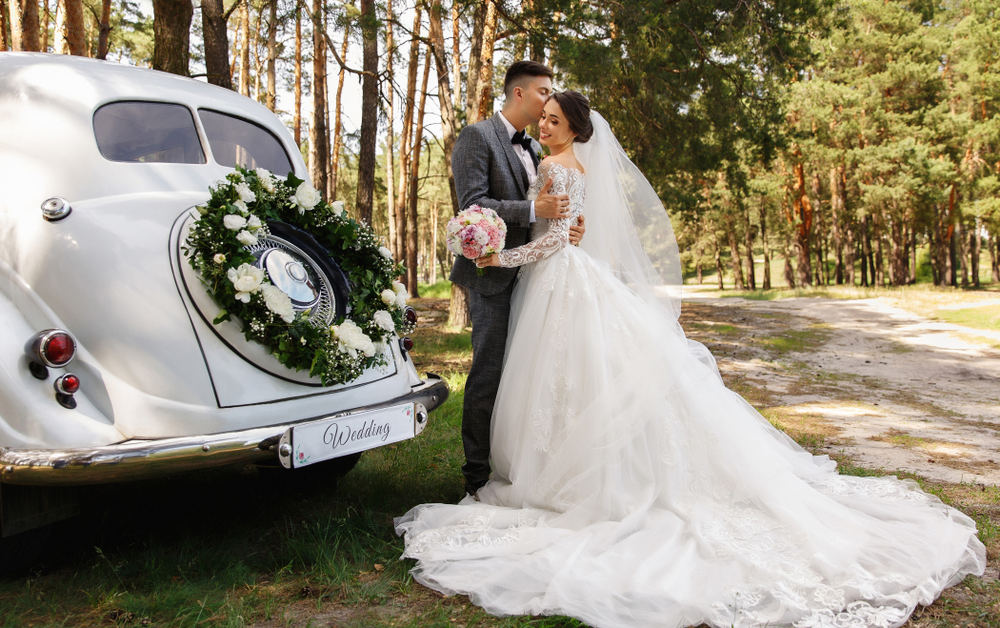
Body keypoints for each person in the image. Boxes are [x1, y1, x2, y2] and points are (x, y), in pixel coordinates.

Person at [397, 91, 986, 628]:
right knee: (574, 380)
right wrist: (542, 239)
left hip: (558, 278)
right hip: (572, 278)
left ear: (574, 129)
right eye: (543, 118)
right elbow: (573, 228)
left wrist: (502, 259)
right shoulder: (574, 166)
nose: (543, 126)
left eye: (554, 121)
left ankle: (560, 479)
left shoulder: (555, 165)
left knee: (563, 378)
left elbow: (556, 238)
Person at [449, 61, 585, 498]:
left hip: (533, 274)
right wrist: (533, 213)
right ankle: (476, 476)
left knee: (525, 377)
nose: (551, 98)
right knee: (488, 373)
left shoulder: (540, 149)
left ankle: (518, 466)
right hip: (491, 273)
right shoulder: (477, 136)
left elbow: (554, 213)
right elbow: (472, 204)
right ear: (521, 94)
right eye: (545, 91)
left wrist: (567, 231)